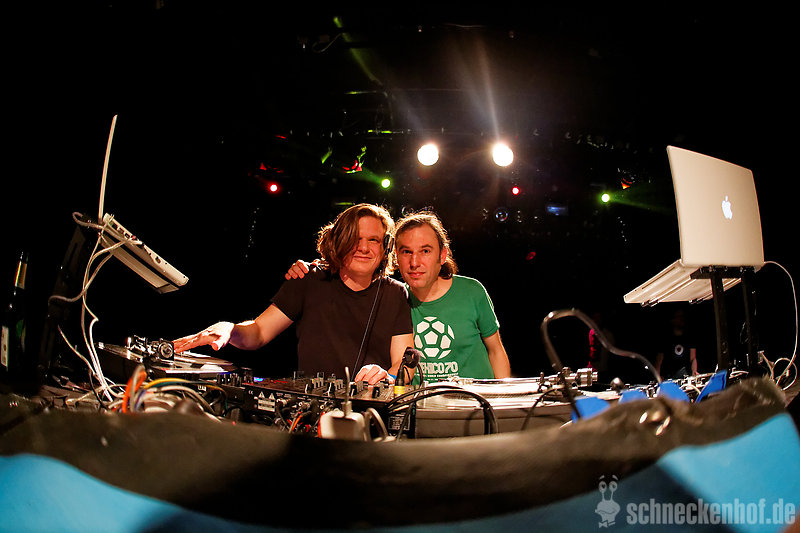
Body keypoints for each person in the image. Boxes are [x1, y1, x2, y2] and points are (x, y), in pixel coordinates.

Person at [173, 204, 414, 385]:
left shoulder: (395, 293)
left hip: (370, 415)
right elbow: (259, 332)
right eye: (355, 238)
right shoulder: (309, 279)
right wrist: (230, 329)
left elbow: (404, 364)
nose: (363, 248)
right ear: (339, 240)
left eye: (373, 240)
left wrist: (387, 378)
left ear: (386, 248)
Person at [286, 210, 511, 383]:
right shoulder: (394, 297)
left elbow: (496, 351)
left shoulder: (472, 291)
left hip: (476, 407)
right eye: (406, 252)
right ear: (394, 255)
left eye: (425, 251)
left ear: (442, 255)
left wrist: (504, 402)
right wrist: (318, 268)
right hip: (418, 413)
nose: (415, 262)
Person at [654, 307, 698, 379]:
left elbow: (693, 358)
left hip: (685, 375)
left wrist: (694, 371)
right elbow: (659, 361)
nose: (681, 319)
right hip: (669, 376)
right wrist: (658, 377)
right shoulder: (665, 338)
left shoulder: (689, 336)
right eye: (679, 317)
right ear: (672, 320)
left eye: (682, 317)